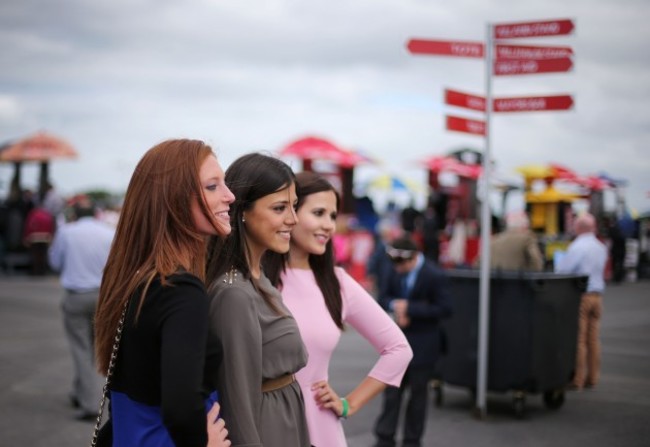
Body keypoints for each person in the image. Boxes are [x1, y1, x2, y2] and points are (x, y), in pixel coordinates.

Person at [93, 139, 233, 446]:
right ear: (175, 200)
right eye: (213, 186)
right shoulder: (180, 290)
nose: (229, 196)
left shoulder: (134, 278)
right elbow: (181, 408)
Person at [264, 172, 413, 447]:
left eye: (332, 216)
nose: (328, 225)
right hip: (261, 426)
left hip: (321, 431)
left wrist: (349, 404)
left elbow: (398, 349)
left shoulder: (338, 283)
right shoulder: (254, 279)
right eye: (319, 213)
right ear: (289, 213)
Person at [204, 153, 310, 447]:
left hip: (285, 424)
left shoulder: (257, 276)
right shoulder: (233, 294)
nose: (293, 219)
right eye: (280, 208)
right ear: (242, 212)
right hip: (267, 430)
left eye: (294, 206)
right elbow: (236, 403)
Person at [374, 236, 452, 447]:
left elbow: (445, 308)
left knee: (418, 397)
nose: (398, 269)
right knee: (391, 394)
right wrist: (395, 305)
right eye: (395, 264)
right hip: (396, 344)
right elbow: (382, 297)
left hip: (424, 344)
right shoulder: (393, 268)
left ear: (414, 257)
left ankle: (412, 441)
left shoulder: (434, 274)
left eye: (402, 264)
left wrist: (411, 309)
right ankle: (384, 439)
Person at [48, 198, 115, 420]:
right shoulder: (107, 232)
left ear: (75, 214)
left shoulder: (67, 232)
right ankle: (79, 391)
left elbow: (55, 262)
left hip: (76, 295)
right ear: (95, 213)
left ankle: (88, 403)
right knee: (96, 347)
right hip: (102, 295)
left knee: (80, 348)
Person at [556, 213, 608, 390]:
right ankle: (593, 377)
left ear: (578, 228)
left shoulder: (577, 247)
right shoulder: (601, 247)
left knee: (579, 340)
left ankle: (577, 379)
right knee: (593, 339)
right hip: (598, 295)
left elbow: (563, 270)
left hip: (582, 295)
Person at [478, 211, 544, 271]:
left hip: (495, 283)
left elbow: (478, 263)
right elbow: (536, 263)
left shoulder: (493, 240)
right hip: (520, 282)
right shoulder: (527, 239)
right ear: (525, 226)